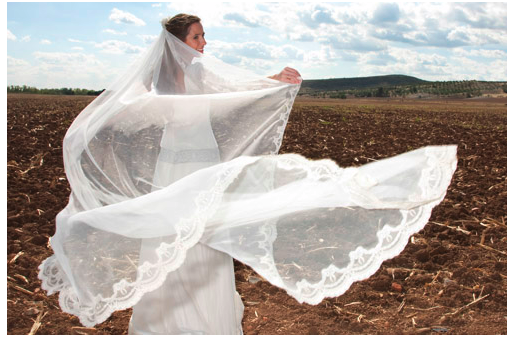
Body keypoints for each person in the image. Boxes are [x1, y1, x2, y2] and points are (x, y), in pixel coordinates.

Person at [38, 13, 457, 335]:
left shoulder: (157, 79)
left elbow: (129, 108)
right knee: (201, 239)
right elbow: (231, 85)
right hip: (198, 165)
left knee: (170, 238)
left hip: (172, 166)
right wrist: (273, 80)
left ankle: (164, 322)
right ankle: (204, 323)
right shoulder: (196, 70)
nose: (204, 43)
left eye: (203, 36)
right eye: (198, 37)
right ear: (180, 42)